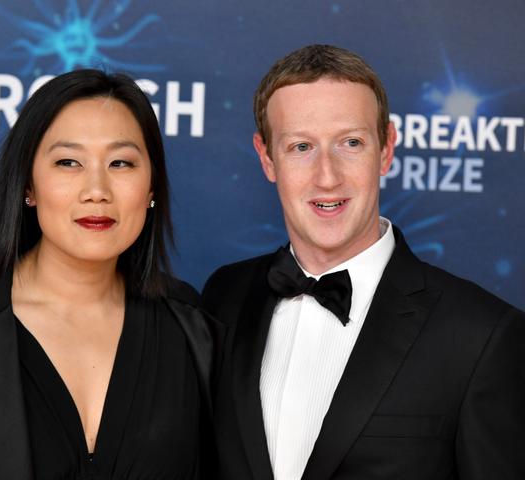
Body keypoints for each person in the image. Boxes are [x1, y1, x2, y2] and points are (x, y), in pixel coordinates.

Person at [203, 44, 525, 480]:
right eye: (301, 146)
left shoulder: (481, 335)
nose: (327, 176)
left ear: (387, 149)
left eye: (351, 143)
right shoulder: (224, 297)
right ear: (267, 158)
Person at [0, 70, 220, 479]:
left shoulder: (193, 329)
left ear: (151, 187)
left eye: (120, 163)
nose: (96, 190)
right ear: (28, 185)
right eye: (68, 162)